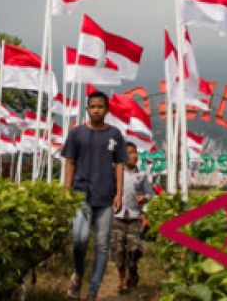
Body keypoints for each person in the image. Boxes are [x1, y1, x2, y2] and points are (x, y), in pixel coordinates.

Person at [62, 92, 125, 300]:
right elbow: (69, 162)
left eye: (100, 106)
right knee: (79, 238)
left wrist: (119, 193)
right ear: (87, 109)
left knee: (102, 244)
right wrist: (66, 191)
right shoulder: (76, 133)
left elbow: (119, 165)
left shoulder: (115, 135)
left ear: (107, 110)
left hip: (106, 197)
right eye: (93, 106)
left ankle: (92, 292)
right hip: (81, 194)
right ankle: (79, 273)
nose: (96, 109)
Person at [112, 142, 153, 293]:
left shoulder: (141, 175)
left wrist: (145, 197)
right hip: (118, 216)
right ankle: (122, 280)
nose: (133, 155)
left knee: (134, 249)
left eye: (135, 152)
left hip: (135, 217)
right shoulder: (116, 173)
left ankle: (133, 269)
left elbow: (149, 193)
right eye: (129, 152)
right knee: (118, 250)